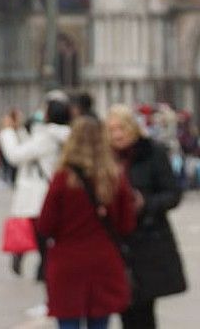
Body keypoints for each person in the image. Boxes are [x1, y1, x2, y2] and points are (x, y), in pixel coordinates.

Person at [35, 116, 137, 329]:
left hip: (67, 264)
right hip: (104, 263)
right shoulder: (115, 178)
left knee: (68, 324)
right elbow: (127, 225)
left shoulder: (62, 179)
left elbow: (45, 225)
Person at [106, 105, 187, 328]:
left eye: (121, 128)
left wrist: (146, 204)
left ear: (133, 128)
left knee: (143, 310)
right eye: (111, 130)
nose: (117, 135)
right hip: (117, 242)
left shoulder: (152, 152)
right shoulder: (104, 158)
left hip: (148, 240)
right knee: (124, 307)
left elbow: (173, 194)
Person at [0, 96, 72, 279]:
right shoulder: (58, 135)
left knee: (42, 238)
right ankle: (41, 270)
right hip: (46, 190)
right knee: (43, 237)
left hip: (39, 194)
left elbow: (16, 155)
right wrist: (20, 128)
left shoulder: (47, 137)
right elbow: (32, 149)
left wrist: (7, 131)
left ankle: (44, 274)